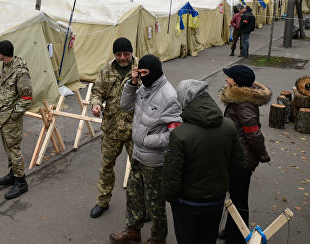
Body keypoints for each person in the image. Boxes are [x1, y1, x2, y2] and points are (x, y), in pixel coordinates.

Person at [110, 55, 182, 244]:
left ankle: (158, 239)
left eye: (145, 73)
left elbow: (174, 134)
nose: (142, 76)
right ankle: (133, 230)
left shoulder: (169, 96)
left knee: (154, 202)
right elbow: (125, 106)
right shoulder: (142, 88)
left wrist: (147, 140)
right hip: (137, 155)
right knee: (133, 194)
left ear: (155, 72)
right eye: (139, 72)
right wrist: (132, 84)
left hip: (154, 161)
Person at [162, 80, 245, 244]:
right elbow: (238, 165)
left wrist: (169, 197)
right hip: (216, 200)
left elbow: (172, 176)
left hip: (187, 202)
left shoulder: (180, 134)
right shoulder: (228, 126)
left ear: (185, 100)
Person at [219, 65, 271, 244]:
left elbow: (253, 134)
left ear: (237, 82)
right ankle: (231, 230)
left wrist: (262, 155)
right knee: (235, 197)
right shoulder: (239, 101)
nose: (226, 80)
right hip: (237, 158)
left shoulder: (243, 105)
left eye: (229, 77)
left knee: (239, 199)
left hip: (241, 161)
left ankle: (238, 237)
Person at [89, 37, 137, 218]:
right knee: (106, 166)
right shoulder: (106, 70)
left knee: (138, 170)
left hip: (135, 129)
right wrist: (96, 104)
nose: (123, 57)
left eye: (126, 54)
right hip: (112, 128)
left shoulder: (141, 68)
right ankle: (102, 201)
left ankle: (140, 205)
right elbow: (97, 91)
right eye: (119, 54)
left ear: (131, 52)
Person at [0, 40, 33, 200]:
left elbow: (27, 97)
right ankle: (13, 174)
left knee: (14, 149)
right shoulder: (6, 66)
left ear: (3, 53)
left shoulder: (20, 72)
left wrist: (14, 115)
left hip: (11, 118)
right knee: (8, 148)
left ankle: (21, 182)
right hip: (4, 116)